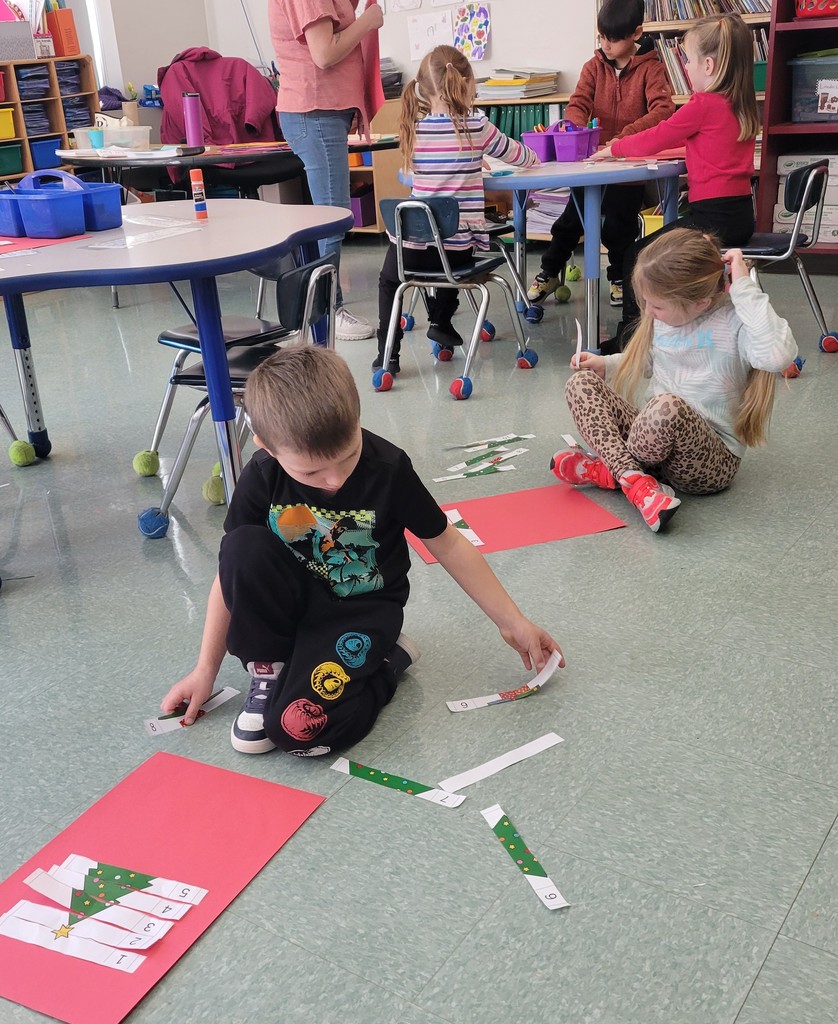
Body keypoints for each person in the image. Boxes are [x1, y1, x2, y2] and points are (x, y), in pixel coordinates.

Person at [161, 346, 563, 755]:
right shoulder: (262, 474)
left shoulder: (390, 469)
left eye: (349, 454)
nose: (336, 478)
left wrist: (513, 621)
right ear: (266, 446)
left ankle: (388, 662)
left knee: (298, 733)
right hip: (292, 608)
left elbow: (449, 543)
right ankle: (270, 667)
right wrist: (205, 670)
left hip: (359, 614)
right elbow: (230, 574)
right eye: (311, 471)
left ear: (357, 418)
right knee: (240, 544)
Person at [550, 229, 797, 533]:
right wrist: (606, 365)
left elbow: (777, 356)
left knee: (667, 407)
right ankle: (633, 479)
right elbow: (653, 360)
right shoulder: (668, 318)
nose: (648, 312)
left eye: (657, 306)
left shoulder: (735, 321)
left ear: (701, 304)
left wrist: (745, 287)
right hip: (652, 443)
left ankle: (612, 470)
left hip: (709, 463)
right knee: (581, 384)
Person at [592, 12, 760, 353]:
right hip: (740, 215)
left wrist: (616, 148)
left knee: (637, 255)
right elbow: (690, 142)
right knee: (655, 250)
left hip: (712, 221)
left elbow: (658, 134)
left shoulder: (703, 104)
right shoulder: (739, 103)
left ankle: (630, 340)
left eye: (689, 61)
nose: (686, 68)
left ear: (709, 65)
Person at [373, 44, 538, 375]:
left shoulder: (412, 130)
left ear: (422, 86)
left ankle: (387, 355)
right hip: (456, 253)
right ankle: (441, 318)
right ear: (466, 83)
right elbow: (518, 155)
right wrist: (531, 159)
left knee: (390, 281)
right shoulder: (476, 127)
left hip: (411, 249)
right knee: (454, 249)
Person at [527, 0, 674, 309]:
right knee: (570, 221)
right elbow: (578, 103)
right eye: (602, 37)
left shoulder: (652, 68)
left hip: (628, 166)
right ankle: (549, 272)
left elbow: (663, 110)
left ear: (636, 33)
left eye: (613, 38)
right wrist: (576, 129)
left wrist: (625, 137)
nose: (606, 45)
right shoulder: (593, 67)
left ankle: (620, 279)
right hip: (591, 165)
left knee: (620, 228)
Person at [269, 0, 384, 341]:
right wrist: (366, 21)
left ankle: (319, 307)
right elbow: (323, 53)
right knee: (332, 218)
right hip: (315, 112)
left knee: (328, 214)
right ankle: (328, 313)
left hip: (321, 113)